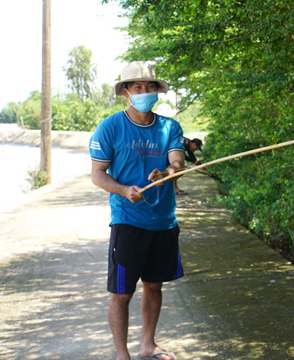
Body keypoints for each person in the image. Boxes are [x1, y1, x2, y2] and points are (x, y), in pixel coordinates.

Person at [89, 61, 184, 360]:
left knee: (154, 286)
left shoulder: (170, 126)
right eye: (138, 87)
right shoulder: (110, 127)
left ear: (157, 91)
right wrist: (123, 190)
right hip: (127, 221)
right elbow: (98, 174)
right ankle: (122, 354)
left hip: (164, 222)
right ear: (126, 92)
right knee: (122, 294)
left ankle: (148, 344)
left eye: (150, 86)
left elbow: (178, 164)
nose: (145, 91)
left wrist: (167, 172)